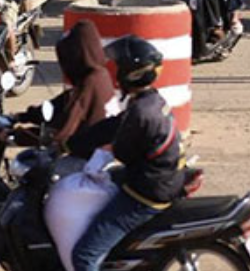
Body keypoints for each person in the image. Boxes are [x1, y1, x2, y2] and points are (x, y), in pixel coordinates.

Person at [68, 36, 186, 271]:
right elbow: (115, 125)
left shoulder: (141, 113)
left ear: (132, 72)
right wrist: (76, 141)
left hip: (147, 192)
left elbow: (121, 151)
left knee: (84, 255)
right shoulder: (151, 100)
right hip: (162, 176)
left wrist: (97, 151)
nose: (116, 72)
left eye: (121, 67)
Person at [12, 20, 114, 152]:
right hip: (95, 145)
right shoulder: (100, 74)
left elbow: (69, 125)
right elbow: (60, 104)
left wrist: (21, 135)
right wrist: (23, 117)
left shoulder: (89, 82)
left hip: (85, 152)